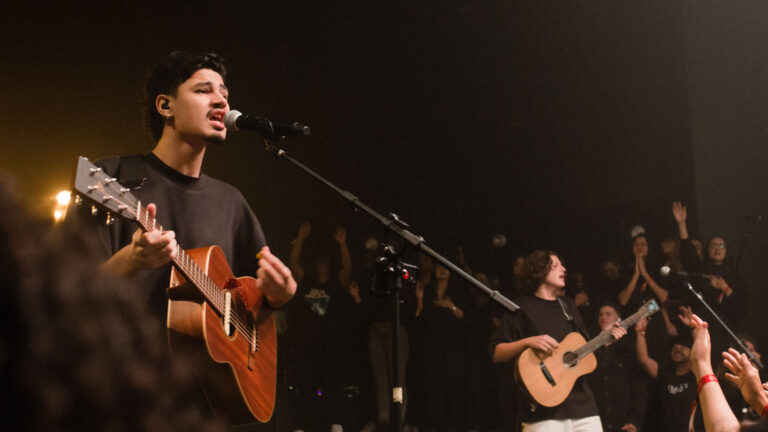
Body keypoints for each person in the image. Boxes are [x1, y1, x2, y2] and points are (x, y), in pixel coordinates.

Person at [67, 51, 297, 423]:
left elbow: (253, 307)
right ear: (165, 105)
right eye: (204, 90)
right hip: (118, 400)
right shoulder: (112, 179)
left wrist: (279, 296)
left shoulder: (231, 203)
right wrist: (132, 260)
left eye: (224, 93)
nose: (222, 100)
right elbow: (67, 297)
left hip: (201, 407)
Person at [490, 250, 626, 432]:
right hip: (543, 412)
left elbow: (585, 352)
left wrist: (607, 340)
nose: (564, 269)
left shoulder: (568, 305)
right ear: (539, 270)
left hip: (584, 408)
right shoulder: (522, 308)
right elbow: (496, 352)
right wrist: (528, 341)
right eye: (555, 266)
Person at [672, 201, 748, 357]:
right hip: (704, 328)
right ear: (707, 249)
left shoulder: (734, 276)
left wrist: (725, 288)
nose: (717, 248)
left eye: (722, 246)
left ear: (727, 251)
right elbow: (689, 255)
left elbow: (742, 308)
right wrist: (682, 223)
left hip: (727, 331)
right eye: (714, 245)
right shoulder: (702, 270)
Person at [635, 311, 703, 431]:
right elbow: (644, 360)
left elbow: (701, 354)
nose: (677, 349)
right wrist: (641, 332)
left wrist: (693, 327)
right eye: (675, 347)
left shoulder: (695, 375)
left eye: (683, 346)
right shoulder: (665, 374)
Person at [587, 303, 647, 432]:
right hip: (597, 421)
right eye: (601, 314)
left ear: (618, 319)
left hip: (623, 422)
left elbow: (639, 387)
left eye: (608, 313)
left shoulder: (627, 348)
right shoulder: (592, 351)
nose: (603, 317)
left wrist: (634, 421)